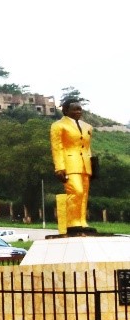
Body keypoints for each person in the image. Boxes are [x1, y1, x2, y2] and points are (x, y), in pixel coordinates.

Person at [51, 97, 95, 236]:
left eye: (80, 109)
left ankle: (82, 221)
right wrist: (59, 167)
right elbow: (57, 147)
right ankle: (72, 222)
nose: (78, 111)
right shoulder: (58, 125)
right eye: (75, 109)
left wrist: (93, 166)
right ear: (65, 110)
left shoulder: (87, 127)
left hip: (85, 164)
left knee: (84, 194)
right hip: (69, 163)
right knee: (76, 191)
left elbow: (88, 148)